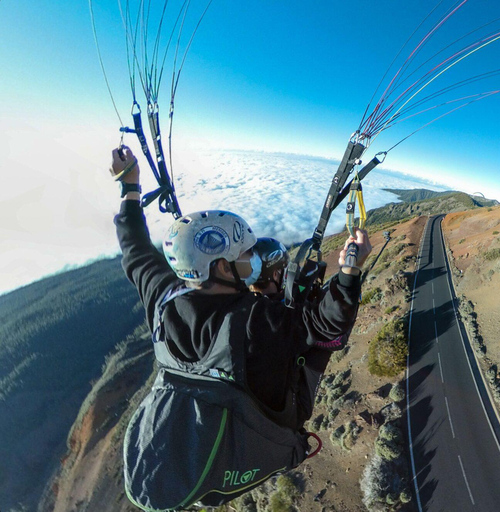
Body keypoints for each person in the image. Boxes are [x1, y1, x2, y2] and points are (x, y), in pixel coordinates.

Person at [111, 146, 371, 508]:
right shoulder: (257, 322)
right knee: (314, 343)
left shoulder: (163, 298)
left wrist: (129, 189)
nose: (252, 262)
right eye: (245, 255)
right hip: (273, 422)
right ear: (220, 267)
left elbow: (135, 252)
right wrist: (348, 273)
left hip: (194, 426)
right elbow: (328, 322)